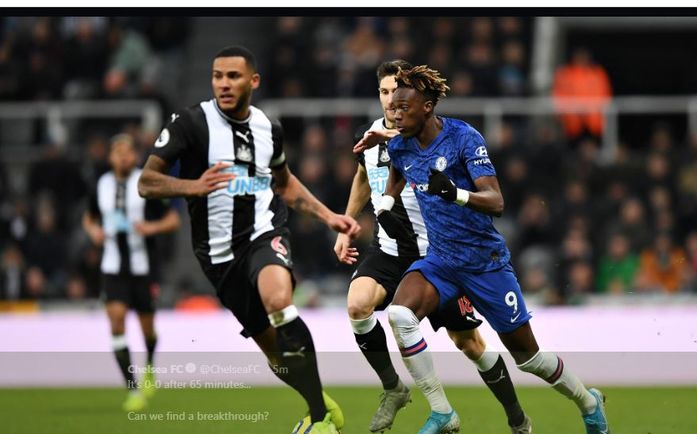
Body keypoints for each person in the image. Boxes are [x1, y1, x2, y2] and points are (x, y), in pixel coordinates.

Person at [375, 65, 611, 434]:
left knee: (530, 359)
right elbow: (398, 173)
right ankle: (441, 411)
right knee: (401, 316)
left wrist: (455, 193)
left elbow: (496, 201)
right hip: (441, 261)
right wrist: (387, 204)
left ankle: (587, 400)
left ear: (428, 107)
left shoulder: (464, 138)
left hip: (485, 263)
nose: (396, 114)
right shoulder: (399, 143)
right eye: (393, 107)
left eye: (404, 108)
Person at [137, 45, 360, 434]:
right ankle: (320, 405)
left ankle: (320, 421)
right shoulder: (191, 124)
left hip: (264, 233)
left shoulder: (268, 128)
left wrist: (329, 216)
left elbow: (285, 184)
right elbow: (146, 182)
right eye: (217, 76)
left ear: (253, 81)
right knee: (275, 355)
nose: (224, 84)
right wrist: (193, 186)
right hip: (218, 255)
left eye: (233, 76)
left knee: (278, 300)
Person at [338, 60, 532, 433]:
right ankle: (396, 389)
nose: (390, 99)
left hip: (435, 253)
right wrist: (346, 225)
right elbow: (363, 176)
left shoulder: (418, 135)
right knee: (357, 304)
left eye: (396, 91)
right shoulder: (373, 136)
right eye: (383, 92)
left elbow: (421, 152)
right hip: (390, 250)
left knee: (469, 342)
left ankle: (516, 416)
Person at [82, 133, 181, 412]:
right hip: (113, 267)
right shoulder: (101, 185)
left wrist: (152, 228)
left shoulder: (147, 183)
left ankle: (149, 367)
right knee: (116, 322)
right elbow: (89, 216)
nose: (124, 157)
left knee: (148, 329)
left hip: (143, 268)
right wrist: (93, 231)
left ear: (135, 156)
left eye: (128, 152)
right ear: (111, 157)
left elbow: (173, 219)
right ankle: (133, 388)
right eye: (118, 152)